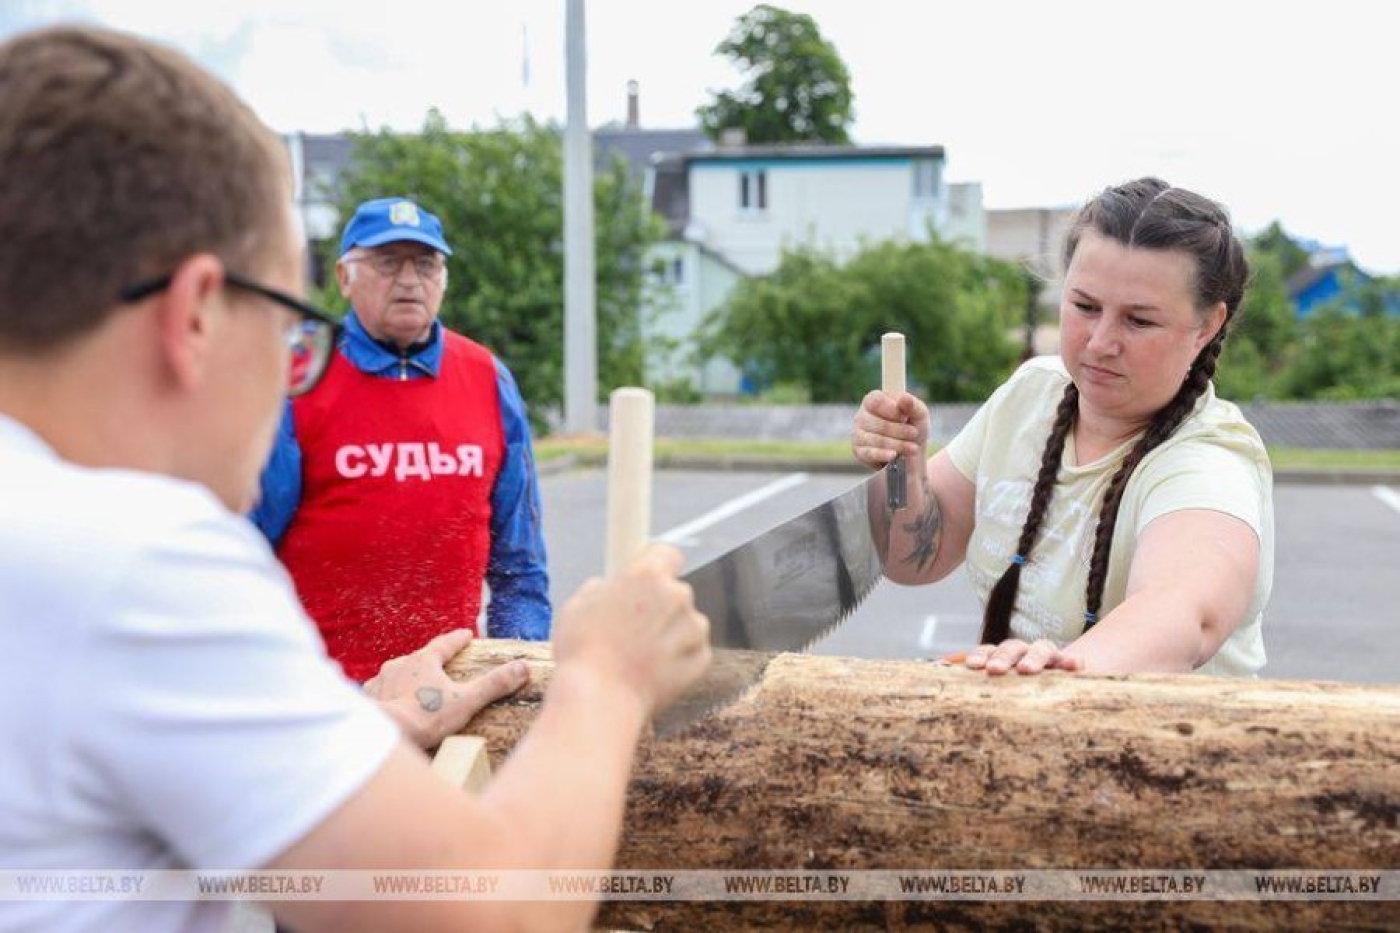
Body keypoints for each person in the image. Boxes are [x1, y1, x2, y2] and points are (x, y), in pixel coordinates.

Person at [0, 23, 709, 933]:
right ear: (194, 320)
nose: (296, 366)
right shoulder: (134, 568)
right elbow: (496, 918)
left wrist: (356, 741)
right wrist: (607, 677)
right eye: (293, 324)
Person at [854, 177, 1273, 677]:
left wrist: (1057, 671)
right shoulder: (1033, 392)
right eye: (1085, 306)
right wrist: (902, 467)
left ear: (1208, 326)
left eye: (1138, 321)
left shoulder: (1210, 462)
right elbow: (912, 559)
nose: (1099, 342)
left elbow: (1184, 613)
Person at [249, 195, 551, 682]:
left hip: (451, 692)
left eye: (427, 264)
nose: (410, 280)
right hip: (325, 690)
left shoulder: (487, 378)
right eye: (388, 262)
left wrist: (522, 676)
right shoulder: (301, 378)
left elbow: (520, 565)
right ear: (345, 278)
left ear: (444, 280)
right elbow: (247, 544)